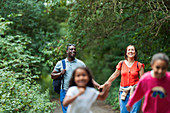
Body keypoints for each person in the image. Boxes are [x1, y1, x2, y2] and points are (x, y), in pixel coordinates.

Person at [51, 44, 100, 113]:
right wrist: (60, 73)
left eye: (74, 49)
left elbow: (88, 77)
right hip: (64, 91)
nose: (73, 50)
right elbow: (52, 75)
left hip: (78, 91)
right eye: (71, 49)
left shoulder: (81, 63)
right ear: (67, 51)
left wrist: (97, 85)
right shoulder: (61, 63)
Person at [99, 45, 145, 113]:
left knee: (134, 112)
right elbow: (114, 75)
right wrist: (104, 85)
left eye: (132, 50)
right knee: (124, 111)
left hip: (136, 91)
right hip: (123, 91)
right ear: (126, 53)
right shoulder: (121, 63)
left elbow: (143, 80)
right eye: (129, 50)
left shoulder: (139, 65)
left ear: (135, 53)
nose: (131, 51)